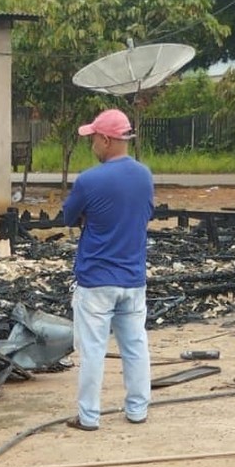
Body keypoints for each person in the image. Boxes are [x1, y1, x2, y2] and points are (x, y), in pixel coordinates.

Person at [61, 108, 154, 430]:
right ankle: (137, 410)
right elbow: (146, 214)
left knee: (92, 352)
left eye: (93, 139)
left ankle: (89, 417)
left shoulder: (89, 180)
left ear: (105, 139)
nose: (92, 146)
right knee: (135, 347)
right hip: (133, 278)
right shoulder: (144, 175)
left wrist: (90, 217)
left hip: (96, 280)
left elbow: (68, 217)